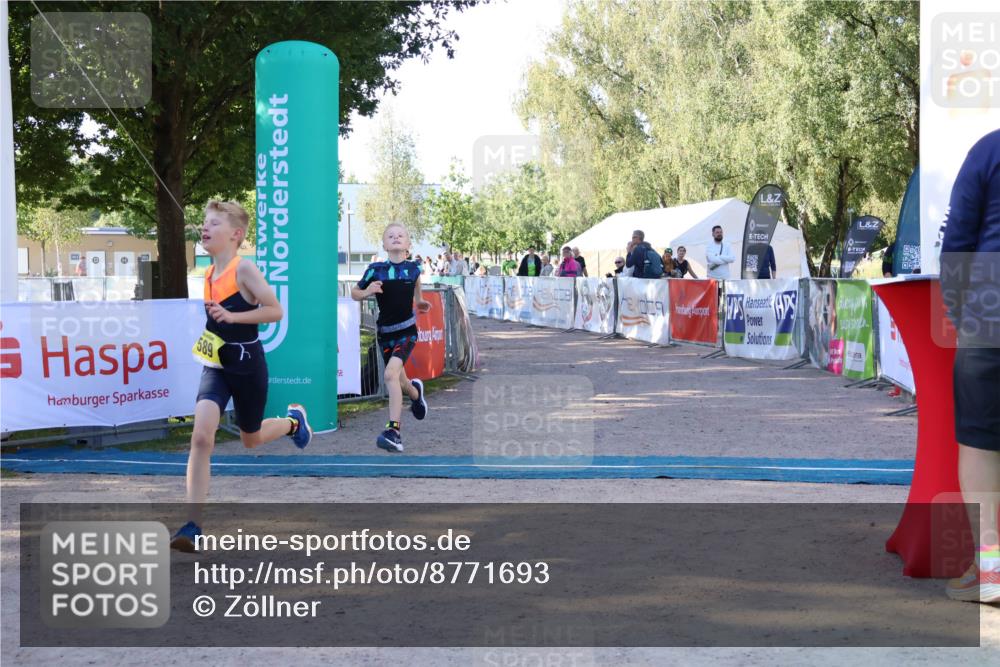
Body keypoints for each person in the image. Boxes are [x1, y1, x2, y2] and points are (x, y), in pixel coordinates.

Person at [171, 200, 313, 552]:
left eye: (214, 223)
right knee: (201, 438)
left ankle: (293, 423)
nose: (205, 228)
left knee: (251, 439)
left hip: (248, 365)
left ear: (236, 234)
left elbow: (275, 311)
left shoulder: (244, 269)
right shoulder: (206, 273)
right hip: (216, 366)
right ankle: (192, 525)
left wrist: (234, 318)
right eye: (204, 222)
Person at [939, 128, 1000, 604]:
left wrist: (962, 316)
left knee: (980, 445)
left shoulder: (988, 149)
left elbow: (957, 241)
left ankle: (992, 571)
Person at [352, 223, 431, 453]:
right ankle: (415, 393)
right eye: (390, 236)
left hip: (406, 332)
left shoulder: (414, 269)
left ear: (408, 243)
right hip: (385, 334)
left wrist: (421, 303)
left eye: (400, 235)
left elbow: (417, 295)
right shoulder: (375, 270)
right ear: (384, 245)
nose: (396, 238)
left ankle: (393, 431)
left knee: (389, 375)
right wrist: (368, 291)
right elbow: (355, 293)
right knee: (401, 381)